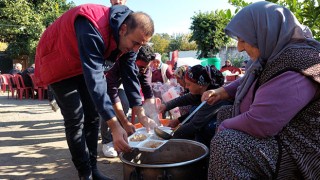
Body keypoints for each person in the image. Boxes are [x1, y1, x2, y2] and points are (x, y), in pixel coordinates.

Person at [34, 4, 156, 180]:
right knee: (76, 118)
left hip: (80, 62)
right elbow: (95, 78)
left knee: (92, 116)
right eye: (135, 43)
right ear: (123, 30)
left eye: (141, 45)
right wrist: (115, 125)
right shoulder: (92, 24)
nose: (136, 49)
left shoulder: (131, 38)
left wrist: (140, 111)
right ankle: (85, 174)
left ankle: (93, 169)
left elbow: (130, 74)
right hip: (58, 60)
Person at [201, 1, 320, 179]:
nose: (240, 47)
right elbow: (251, 79)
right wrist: (222, 92)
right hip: (280, 133)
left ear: (265, 32)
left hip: (298, 148)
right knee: (224, 113)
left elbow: (261, 122)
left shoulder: (300, 63)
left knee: (226, 144)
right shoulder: (274, 54)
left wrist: (224, 128)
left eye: (243, 40)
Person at [101, 44, 157, 157]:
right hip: (104, 82)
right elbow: (112, 95)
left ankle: (120, 135)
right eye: (141, 68)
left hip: (120, 83)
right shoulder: (116, 64)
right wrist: (126, 122)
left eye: (146, 67)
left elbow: (148, 92)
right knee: (106, 107)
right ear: (131, 60)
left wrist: (152, 117)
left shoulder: (144, 68)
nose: (143, 71)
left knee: (125, 103)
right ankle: (107, 141)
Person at [158, 65, 232, 147]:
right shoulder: (202, 91)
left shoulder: (212, 98)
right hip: (200, 126)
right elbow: (184, 99)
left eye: (189, 84)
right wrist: (165, 106)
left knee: (203, 130)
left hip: (217, 135)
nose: (186, 87)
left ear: (200, 84)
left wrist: (170, 133)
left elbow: (193, 126)